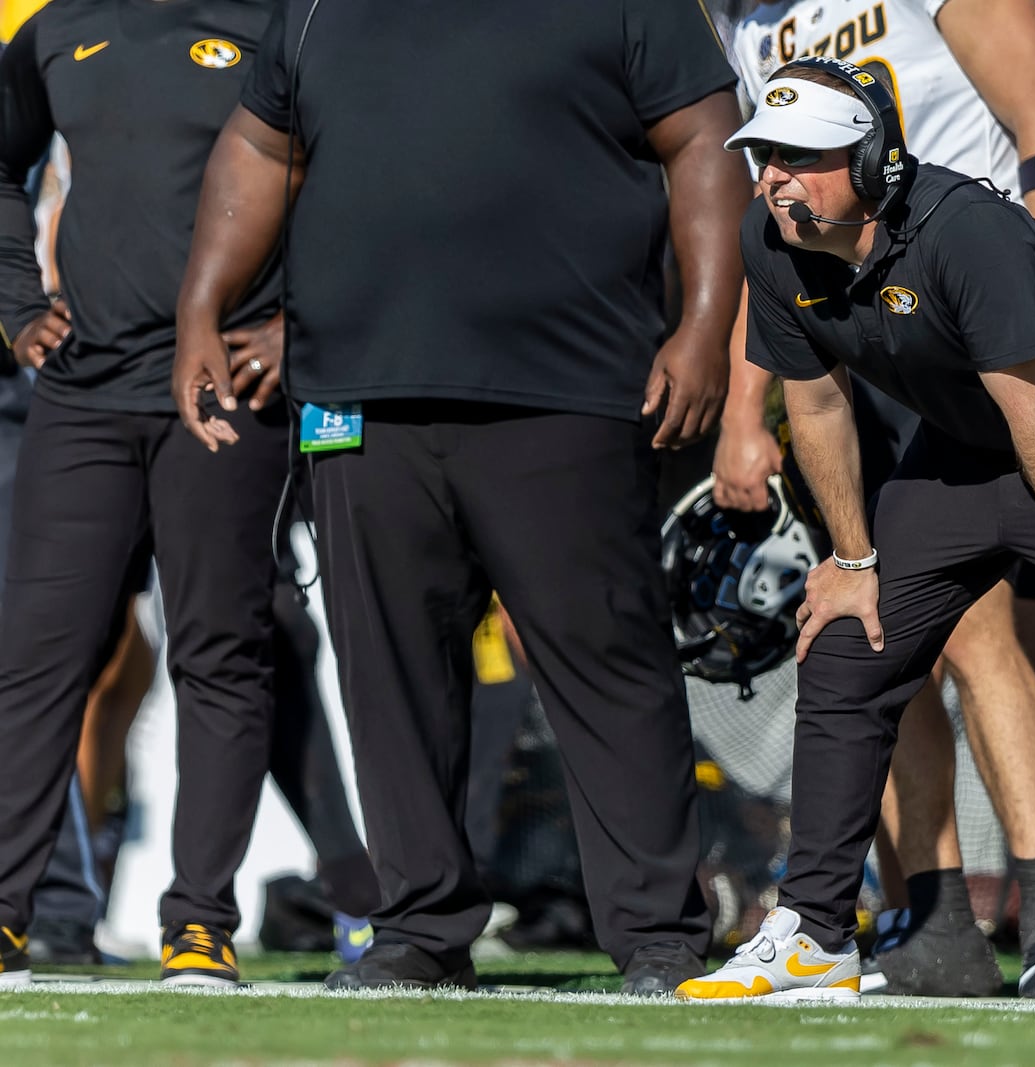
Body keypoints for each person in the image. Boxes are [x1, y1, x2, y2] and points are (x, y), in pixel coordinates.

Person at [175, 0, 750, 993]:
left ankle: (657, 929)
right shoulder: (317, 8)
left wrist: (702, 324)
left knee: (605, 658)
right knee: (387, 671)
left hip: (564, 385)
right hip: (356, 395)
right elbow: (257, 147)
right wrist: (201, 307)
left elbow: (702, 137)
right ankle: (419, 928)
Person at [675, 56, 1035, 1007]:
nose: (775, 179)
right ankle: (815, 930)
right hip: (974, 435)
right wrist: (852, 558)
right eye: (766, 156)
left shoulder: (968, 234)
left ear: (874, 161)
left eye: (803, 157)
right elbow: (820, 404)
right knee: (845, 646)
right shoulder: (772, 236)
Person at [0, 0, 293, 987]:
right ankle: (5, 910)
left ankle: (200, 923)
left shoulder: (278, 22)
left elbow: (354, 177)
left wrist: (298, 322)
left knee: (218, 651)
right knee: (36, 658)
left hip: (223, 396)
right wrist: (16, 308)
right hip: (81, 395)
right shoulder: (54, 29)